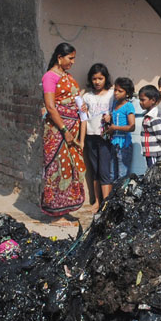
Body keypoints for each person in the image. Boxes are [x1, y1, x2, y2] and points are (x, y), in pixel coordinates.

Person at [40, 43, 86, 220]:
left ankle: (65, 210)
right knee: (57, 169)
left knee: (71, 169)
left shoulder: (68, 77)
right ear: (60, 58)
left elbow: (76, 100)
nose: (73, 62)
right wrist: (65, 129)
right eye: (70, 58)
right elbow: (51, 107)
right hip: (57, 131)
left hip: (73, 130)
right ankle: (55, 214)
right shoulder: (49, 77)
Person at [80, 63, 113, 212]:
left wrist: (110, 118)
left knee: (104, 170)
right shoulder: (87, 97)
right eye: (94, 79)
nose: (97, 82)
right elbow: (83, 119)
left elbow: (117, 112)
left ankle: (106, 203)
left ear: (106, 79)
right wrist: (82, 140)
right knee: (95, 170)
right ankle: (97, 201)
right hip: (90, 136)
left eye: (100, 78)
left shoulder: (111, 95)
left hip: (105, 137)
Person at [101, 77, 136, 198]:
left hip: (124, 144)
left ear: (127, 93)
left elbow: (132, 126)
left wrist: (115, 127)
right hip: (114, 143)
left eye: (120, 91)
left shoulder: (128, 106)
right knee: (113, 173)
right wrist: (109, 119)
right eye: (115, 90)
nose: (116, 93)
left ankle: (122, 199)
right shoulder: (115, 105)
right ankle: (114, 199)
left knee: (123, 174)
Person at [137, 84, 161, 167]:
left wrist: (159, 147)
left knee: (154, 172)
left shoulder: (154, 117)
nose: (140, 102)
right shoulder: (148, 115)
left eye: (143, 100)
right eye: (139, 100)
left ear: (153, 100)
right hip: (151, 153)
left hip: (154, 153)